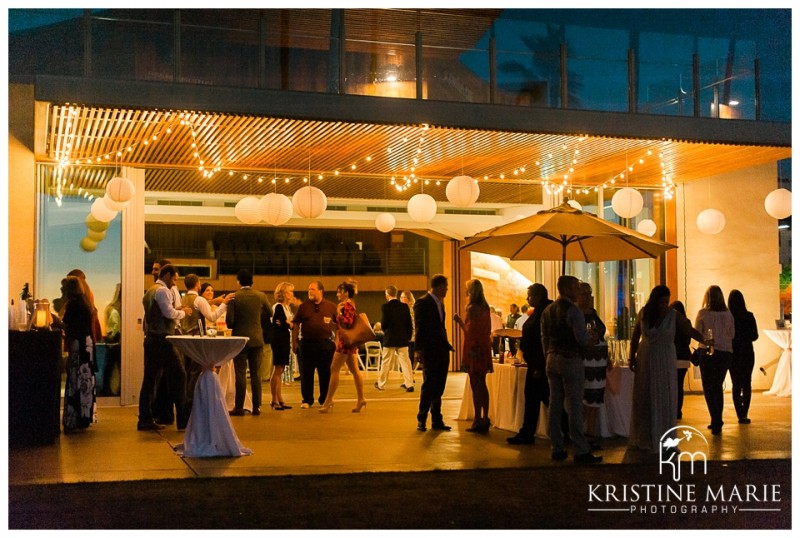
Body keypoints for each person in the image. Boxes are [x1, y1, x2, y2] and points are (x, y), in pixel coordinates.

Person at [629, 286, 703, 452]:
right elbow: (635, 335)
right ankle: (646, 437)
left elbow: (688, 329)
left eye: (666, 302)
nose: (663, 305)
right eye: (661, 301)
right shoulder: (644, 313)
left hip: (665, 359)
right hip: (646, 357)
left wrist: (704, 339)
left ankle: (664, 436)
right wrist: (631, 356)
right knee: (645, 396)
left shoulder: (673, 315)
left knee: (664, 395)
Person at [541, 274, 601, 464]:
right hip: (570, 359)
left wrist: (548, 355)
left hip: (552, 357)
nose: (578, 291)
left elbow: (544, 338)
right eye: (575, 288)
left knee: (555, 404)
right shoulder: (574, 311)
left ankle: (556, 446)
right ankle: (580, 449)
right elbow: (582, 339)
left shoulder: (548, 310)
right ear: (567, 289)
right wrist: (591, 340)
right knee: (574, 405)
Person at [138, 264, 192, 431]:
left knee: (150, 380)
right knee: (180, 376)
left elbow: (158, 312)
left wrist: (175, 309)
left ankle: (145, 418)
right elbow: (168, 313)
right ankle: (183, 420)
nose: (175, 283)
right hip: (163, 340)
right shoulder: (163, 291)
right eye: (174, 279)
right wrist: (183, 313)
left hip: (152, 339)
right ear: (167, 275)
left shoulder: (150, 291)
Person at [507, 283, 553, 445]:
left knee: (541, 398)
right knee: (539, 398)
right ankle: (528, 432)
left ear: (538, 296)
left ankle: (528, 432)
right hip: (535, 362)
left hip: (539, 363)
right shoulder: (539, 311)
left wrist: (539, 366)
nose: (527, 299)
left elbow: (542, 341)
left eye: (530, 295)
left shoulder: (545, 312)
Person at [180, 274, 232, 413]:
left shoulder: (182, 298)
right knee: (196, 373)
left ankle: (185, 404)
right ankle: (192, 405)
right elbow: (212, 316)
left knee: (187, 372)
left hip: (183, 339)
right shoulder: (199, 299)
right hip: (196, 339)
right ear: (198, 284)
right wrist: (224, 304)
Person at [226, 269, 272, 416]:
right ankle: (257, 407)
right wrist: (256, 319)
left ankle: (239, 407)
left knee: (240, 374)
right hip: (257, 339)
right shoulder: (260, 296)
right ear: (252, 281)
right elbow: (270, 313)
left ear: (238, 281)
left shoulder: (234, 297)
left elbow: (229, 322)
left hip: (239, 340)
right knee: (255, 374)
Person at [319, 280, 367, 413]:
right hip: (349, 342)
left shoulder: (347, 305)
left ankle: (329, 400)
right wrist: (335, 320)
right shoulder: (349, 305)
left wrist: (338, 314)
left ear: (346, 293)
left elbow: (347, 322)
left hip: (345, 343)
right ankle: (361, 399)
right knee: (355, 370)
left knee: (334, 369)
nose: (337, 294)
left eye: (339, 292)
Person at [414, 274, 455, 432]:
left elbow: (441, 328)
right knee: (429, 384)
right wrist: (418, 350)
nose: (446, 289)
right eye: (445, 286)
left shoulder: (441, 304)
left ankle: (437, 419)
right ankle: (422, 418)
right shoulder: (422, 302)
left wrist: (447, 345)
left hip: (441, 350)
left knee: (439, 386)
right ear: (438, 286)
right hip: (430, 351)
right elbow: (420, 328)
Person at [695, 285, 735, 435]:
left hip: (707, 353)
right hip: (725, 353)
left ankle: (715, 418)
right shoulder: (728, 314)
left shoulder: (703, 314)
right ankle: (718, 417)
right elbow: (732, 333)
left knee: (709, 387)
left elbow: (698, 333)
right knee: (718, 386)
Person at [454, 279, 493, 433]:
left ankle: (477, 419)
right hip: (483, 348)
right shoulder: (485, 307)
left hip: (473, 348)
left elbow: (469, 332)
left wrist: (458, 321)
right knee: (482, 384)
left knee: (475, 385)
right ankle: (486, 417)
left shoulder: (472, 308)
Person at [292, 280, 338, 409]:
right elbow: (295, 324)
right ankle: (307, 399)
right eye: (308, 289)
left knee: (325, 374)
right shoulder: (303, 307)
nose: (309, 292)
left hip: (325, 345)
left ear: (320, 291)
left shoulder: (331, 306)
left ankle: (325, 399)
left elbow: (339, 326)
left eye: (312, 289)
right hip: (306, 344)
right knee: (306, 374)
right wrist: (294, 342)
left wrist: (336, 342)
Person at [61, 275, 97, 433]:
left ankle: (73, 418)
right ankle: (84, 417)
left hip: (78, 347)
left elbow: (67, 325)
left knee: (75, 380)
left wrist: (55, 321)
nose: (62, 290)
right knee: (85, 382)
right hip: (87, 347)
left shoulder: (73, 304)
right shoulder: (85, 303)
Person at [576, 281, 607, 438]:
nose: (587, 297)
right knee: (583, 398)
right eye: (583, 294)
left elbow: (600, 330)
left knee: (595, 399)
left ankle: (591, 432)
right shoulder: (576, 313)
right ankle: (581, 433)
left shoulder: (592, 313)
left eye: (589, 293)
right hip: (585, 363)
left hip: (598, 363)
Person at [375, 285, 415, 392]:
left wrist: (385, 331)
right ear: (396, 294)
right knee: (405, 362)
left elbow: (384, 324)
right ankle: (409, 384)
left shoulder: (385, 307)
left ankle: (381, 384)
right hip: (402, 339)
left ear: (387, 294)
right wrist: (408, 336)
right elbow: (409, 324)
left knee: (386, 361)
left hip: (390, 338)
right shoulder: (404, 307)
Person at [728, 289, 759, 425]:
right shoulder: (749, 316)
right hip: (747, 352)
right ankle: (744, 413)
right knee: (746, 383)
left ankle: (739, 413)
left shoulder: (728, 317)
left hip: (733, 353)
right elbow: (755, 336)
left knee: (736, 383)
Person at [269, 281, 296, 411]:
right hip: (279, 340)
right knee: (277, 369)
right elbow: (279, 323)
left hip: (285, 339)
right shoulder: (278, 306)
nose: (292, 294)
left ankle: (280, 398)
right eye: (290, 291)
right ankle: (274, 399)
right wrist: (288, 324)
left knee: (281, 370)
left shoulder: (287, 308)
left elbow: (287, 323)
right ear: (283, 293)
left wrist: (287, 323)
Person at [670, 300, 692, 419]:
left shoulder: (669, 323)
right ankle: (678, 410)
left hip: (672, 356)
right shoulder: (686, 322)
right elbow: (688, 340)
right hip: (684, 356)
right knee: (680, 385)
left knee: (672, 385)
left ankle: (673, 409)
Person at [101, 283, 122, 396]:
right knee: (115, 366)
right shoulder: (116, 309)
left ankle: (107, 389)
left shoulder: (111, 308)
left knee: (110, 366)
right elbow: (115, 327)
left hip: (114, 342)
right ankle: (111, 389)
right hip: (116, 342)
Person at [400, 290, 417, 369]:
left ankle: (410, 376)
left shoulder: (411, 309)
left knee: (409, 357)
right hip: (406, 337)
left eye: (404, 297)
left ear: (409, 299)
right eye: (401, 297)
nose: (402, 299)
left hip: (411, 337)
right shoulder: (403, 309)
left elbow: (412, 324)